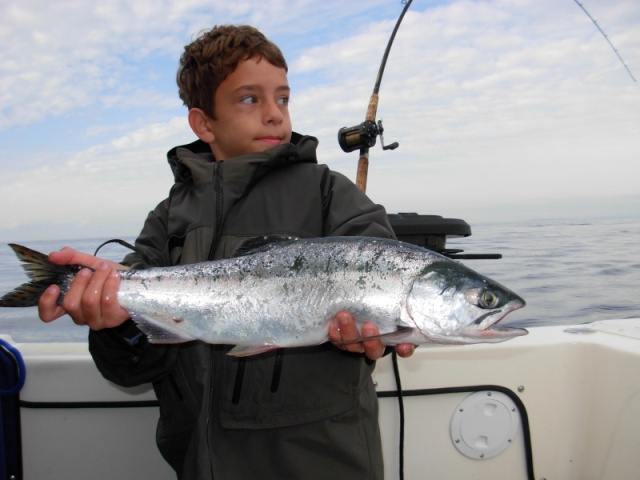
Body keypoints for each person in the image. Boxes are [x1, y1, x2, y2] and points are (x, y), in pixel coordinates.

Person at [38, 25, 414, 479]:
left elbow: (391, 291)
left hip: (322, 461)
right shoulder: (169, 217)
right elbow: (133, 368)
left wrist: (382, 336)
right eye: (250, 99)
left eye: (284, 98)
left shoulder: (330, 196)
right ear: (204, 123)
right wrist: (115, 325)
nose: (275, 115)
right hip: (198, 463)